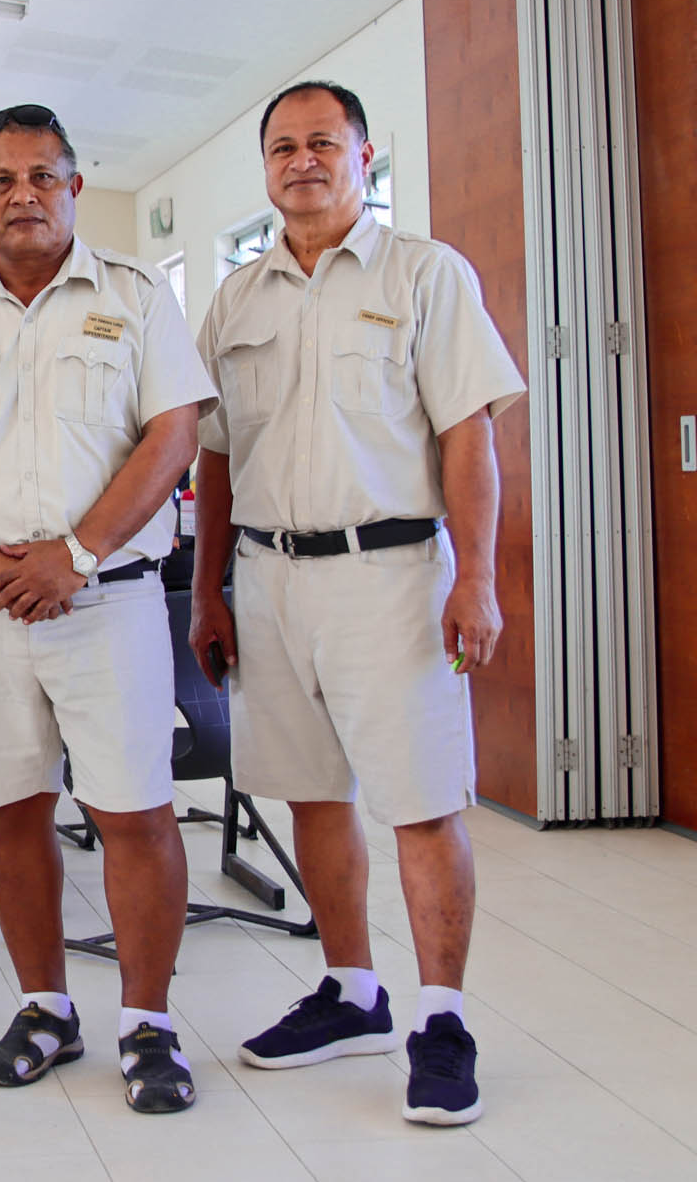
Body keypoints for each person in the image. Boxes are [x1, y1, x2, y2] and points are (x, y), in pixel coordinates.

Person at [188, 81, 524, 1127]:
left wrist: (475, 572)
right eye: (282, 147)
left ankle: (439, 1019)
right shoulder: (235, 300)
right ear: (265, 169)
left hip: (389, 573)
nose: (301, 161)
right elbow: (213, 460)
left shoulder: (423, 273)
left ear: (363, 156)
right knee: (309, 792)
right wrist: (207, 589)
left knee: (421, 799)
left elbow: (466, 436)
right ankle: (350, 990)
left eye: (321, 143)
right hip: (268, 575)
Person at [0, 104, 218, 1113]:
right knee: (8, 811)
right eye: (1, 179)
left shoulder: (133, 295)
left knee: (132, 811)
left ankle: (148, 1024)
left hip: (104, 604)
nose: (22, 194)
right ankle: (44, 1008)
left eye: (42, 175)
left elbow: (173, 433)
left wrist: (75, 554)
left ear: (74, 185)